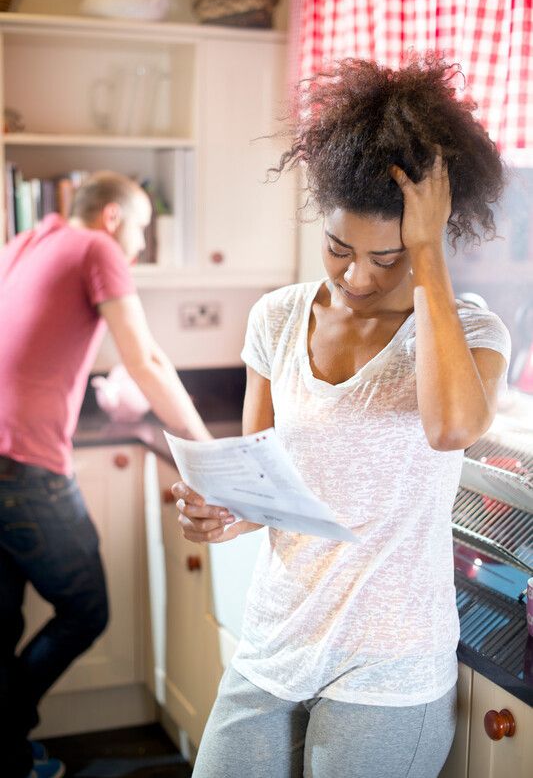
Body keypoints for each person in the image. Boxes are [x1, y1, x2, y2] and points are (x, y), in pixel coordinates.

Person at [172, 55, 512, 778]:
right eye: (337, 248)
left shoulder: (470, 333)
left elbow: (451, 427)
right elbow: (267, 476)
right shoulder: (276, 317)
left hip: (388, 664)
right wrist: (226, 512)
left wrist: (426, 256)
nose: (357, 277)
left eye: (386, 256)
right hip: (274, 639)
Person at [0, 171, 211, 778]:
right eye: (141, 228)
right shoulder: (97, 248)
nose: (140, 247)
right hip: (29, 471)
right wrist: (205, 451)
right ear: (113, 217)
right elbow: (143, 359)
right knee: (87, 609)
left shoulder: (26, 241)